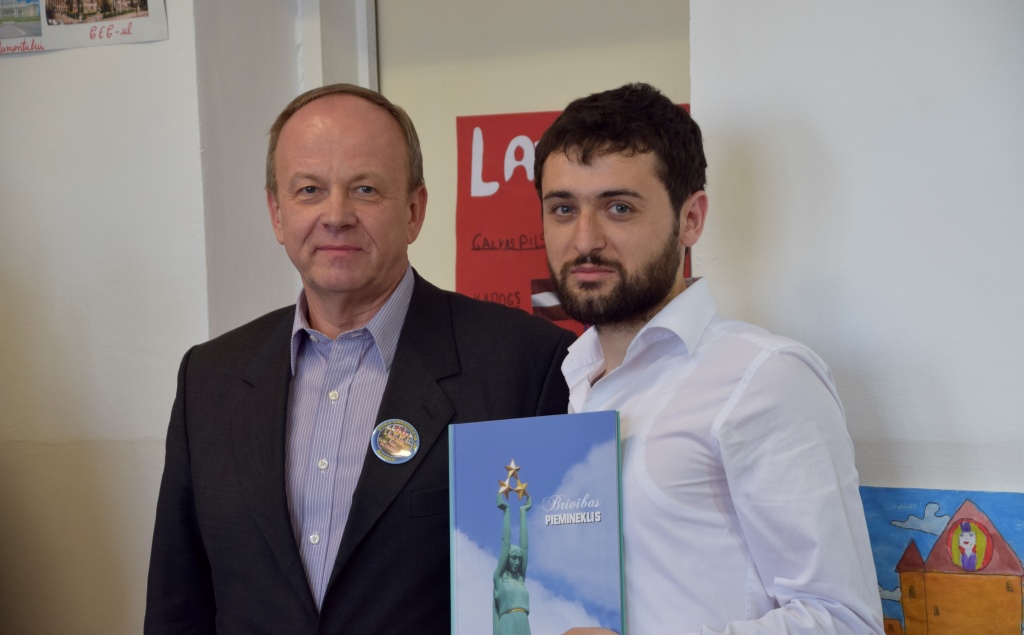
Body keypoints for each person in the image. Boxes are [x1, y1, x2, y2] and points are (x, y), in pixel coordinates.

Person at [144, 84, 575, 634]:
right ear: (277, 213)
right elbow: (178, 608)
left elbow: (552, 597)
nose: (336, 215)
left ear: (414, 210)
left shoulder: (528, 364)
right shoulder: (209, 379)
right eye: (309, 190)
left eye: (365, 189)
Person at [534, 83, 884, 635]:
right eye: (563, 209)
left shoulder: (765, 377)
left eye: (618, 208)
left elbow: (845, 621)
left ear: (691, 219)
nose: (584, 240)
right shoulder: (573, 377)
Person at [494, 492, 531, 635]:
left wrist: (523, 512)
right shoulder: (499, 579)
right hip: (508, 622)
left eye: (519, 559)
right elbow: (505, 543)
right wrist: (507, 510)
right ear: (507, 558)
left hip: (524, 623)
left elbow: (525, 547)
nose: (517, 562)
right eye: (514, 558)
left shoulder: (520, 579)